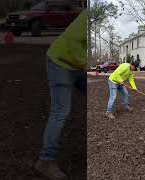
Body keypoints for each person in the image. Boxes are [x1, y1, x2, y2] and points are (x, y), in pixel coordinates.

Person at [34, 9, 87, 180]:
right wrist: (89, 65)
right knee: (61, 111)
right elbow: (73, 42)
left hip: (78, 64)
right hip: (61, 63)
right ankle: (45, 160)